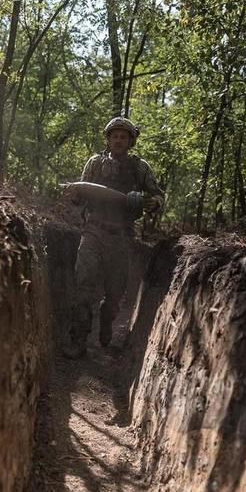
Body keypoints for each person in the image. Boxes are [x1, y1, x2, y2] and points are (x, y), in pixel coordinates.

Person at [62, 117, 164, 359]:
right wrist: (73, 194)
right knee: (84, 284)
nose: (119, 140)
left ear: (130, 142)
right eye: (114, 136)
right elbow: (80, 195)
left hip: (122, 237)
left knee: (115, 294)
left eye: (123, 137)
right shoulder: (95, 164)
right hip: (93, 232)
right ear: (107, 140)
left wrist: (145, 201)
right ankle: (78, 340)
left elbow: (158, 197)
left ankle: (107, 320)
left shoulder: (141, 168)